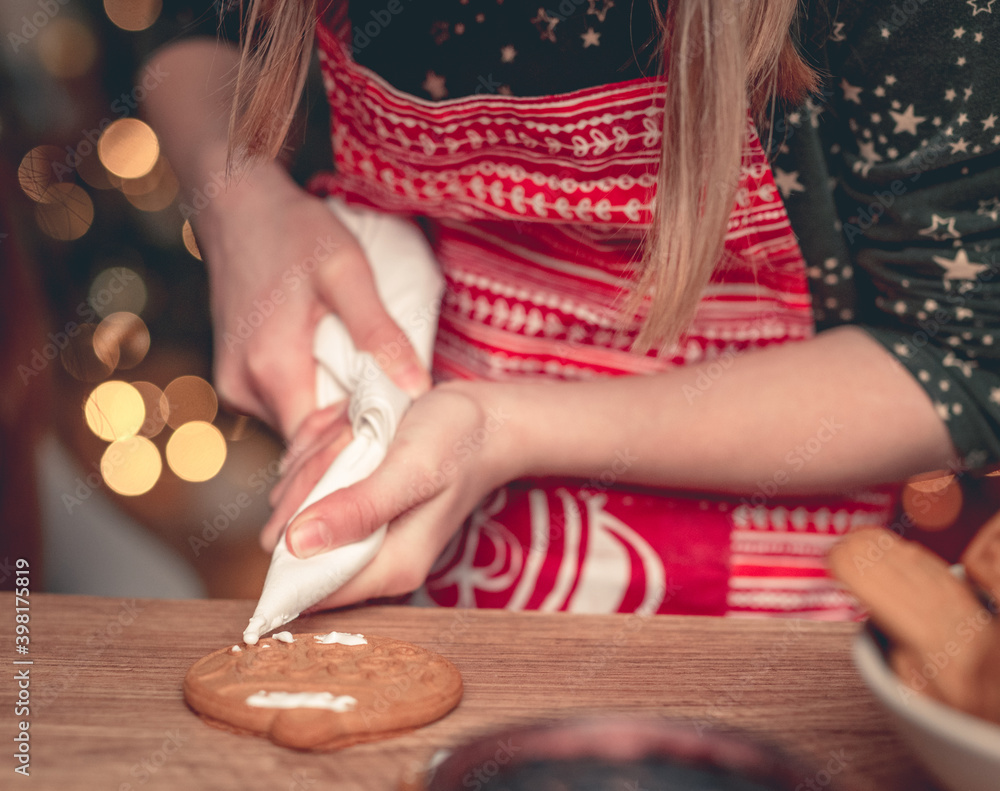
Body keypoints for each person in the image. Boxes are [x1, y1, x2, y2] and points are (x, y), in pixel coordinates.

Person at [144, 0, 999, 618]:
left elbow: (966, 360)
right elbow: (192, 31)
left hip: (768, 634)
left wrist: (504, 428)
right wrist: (235, 192)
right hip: (419, 586)